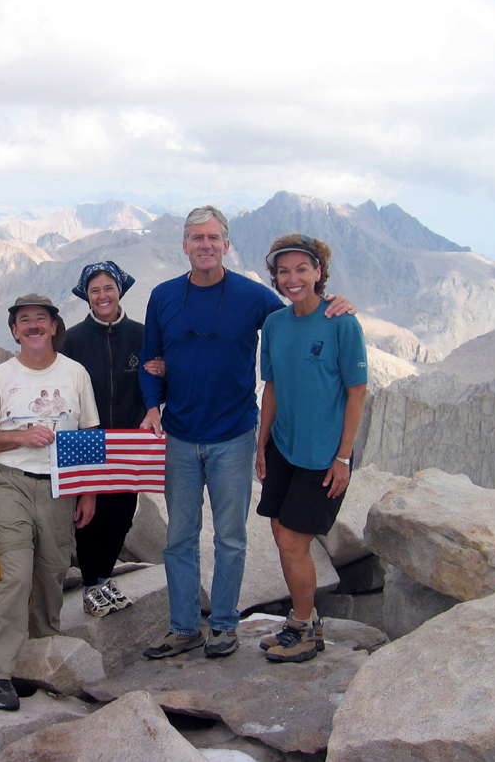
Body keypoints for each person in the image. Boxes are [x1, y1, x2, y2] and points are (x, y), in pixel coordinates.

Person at [139, 206, 355, 661]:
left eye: (214, 237)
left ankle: (222, 626)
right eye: (197, 238)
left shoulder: (253, 297)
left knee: (231, 537)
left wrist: (338, 305)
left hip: (234, 435)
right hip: (179, 434)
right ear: (185, 245)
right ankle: (183, 627)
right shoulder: (162, 297)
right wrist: (150, 405)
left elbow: (299, 318)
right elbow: (149, 360)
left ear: (226, 244)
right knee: (179, 536)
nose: (205, 245)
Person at [0, 293, 100, 711]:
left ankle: (40, 659)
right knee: (17, 572)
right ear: (14, 331)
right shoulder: (0, 378)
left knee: (50, 573)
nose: (33, 326)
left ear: (54, 326)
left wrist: (88, 492)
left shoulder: (76, 373)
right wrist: (19, 436)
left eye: (41, 319)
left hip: (61, 486)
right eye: (25, 321)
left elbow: (89, 434)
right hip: (12, 483)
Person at [255, 234, 367, 662]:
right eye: (284, 271)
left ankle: (302, 626)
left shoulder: (342, 322)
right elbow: (272, 387)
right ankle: (304, 621)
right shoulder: (277, 325)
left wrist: (343, 458)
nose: (293, 278)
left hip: (323, 454)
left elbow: (357, 392)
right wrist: (262, 444)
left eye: (302, 268)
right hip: (284, 446)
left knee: (292, 542)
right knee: (281, 532)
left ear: (319, 272)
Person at [59, 261, 163, 617]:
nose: (102, 296)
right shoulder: (72, 339)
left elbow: (157, 382)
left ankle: (103, 578)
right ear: (85, 295)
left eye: (108, 288)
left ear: (120, 290)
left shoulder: (141, 335)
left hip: (128, 440)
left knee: (121, 514)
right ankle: (91, 584)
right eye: (94, 290)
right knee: (87, 515)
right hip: (84, 438)